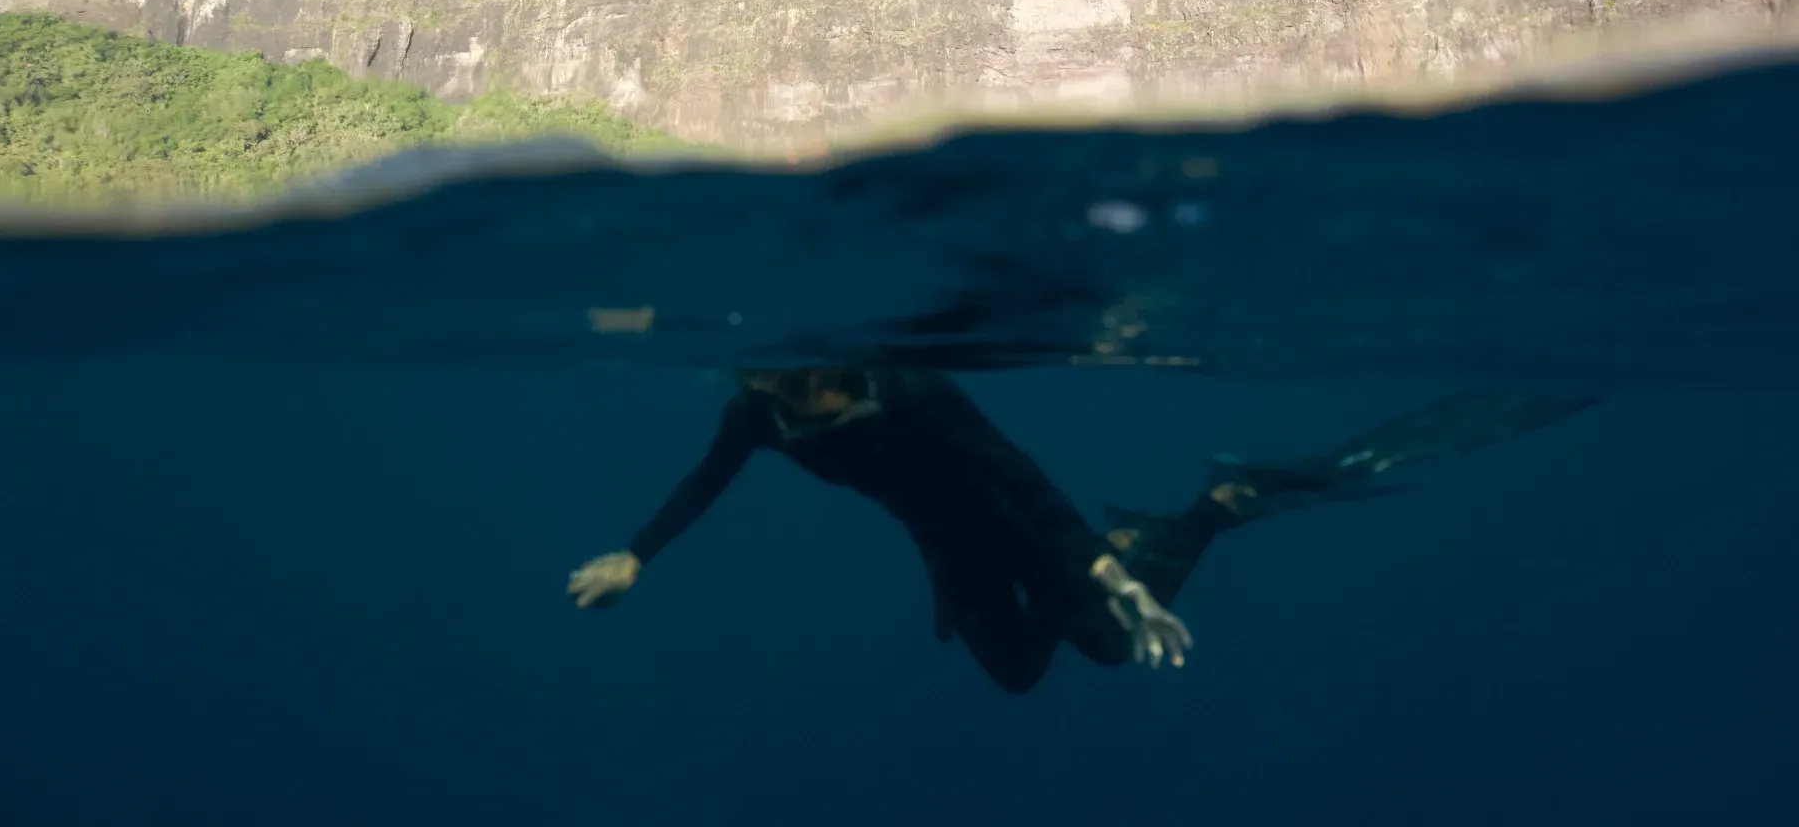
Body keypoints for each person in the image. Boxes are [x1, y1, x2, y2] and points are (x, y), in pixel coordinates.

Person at [568, 368, 1594, 695]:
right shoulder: (755, 409)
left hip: (1013, 525)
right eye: (789, 396)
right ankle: (1170, 534)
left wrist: (1118, 582)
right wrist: (637, 551)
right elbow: (708, 477)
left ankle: (1215, 508)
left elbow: (1028, 488)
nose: (806, 413)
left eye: (822, 398)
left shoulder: (918, 392)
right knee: (1017, 671)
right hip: (946, 545)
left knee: (1105, 644)